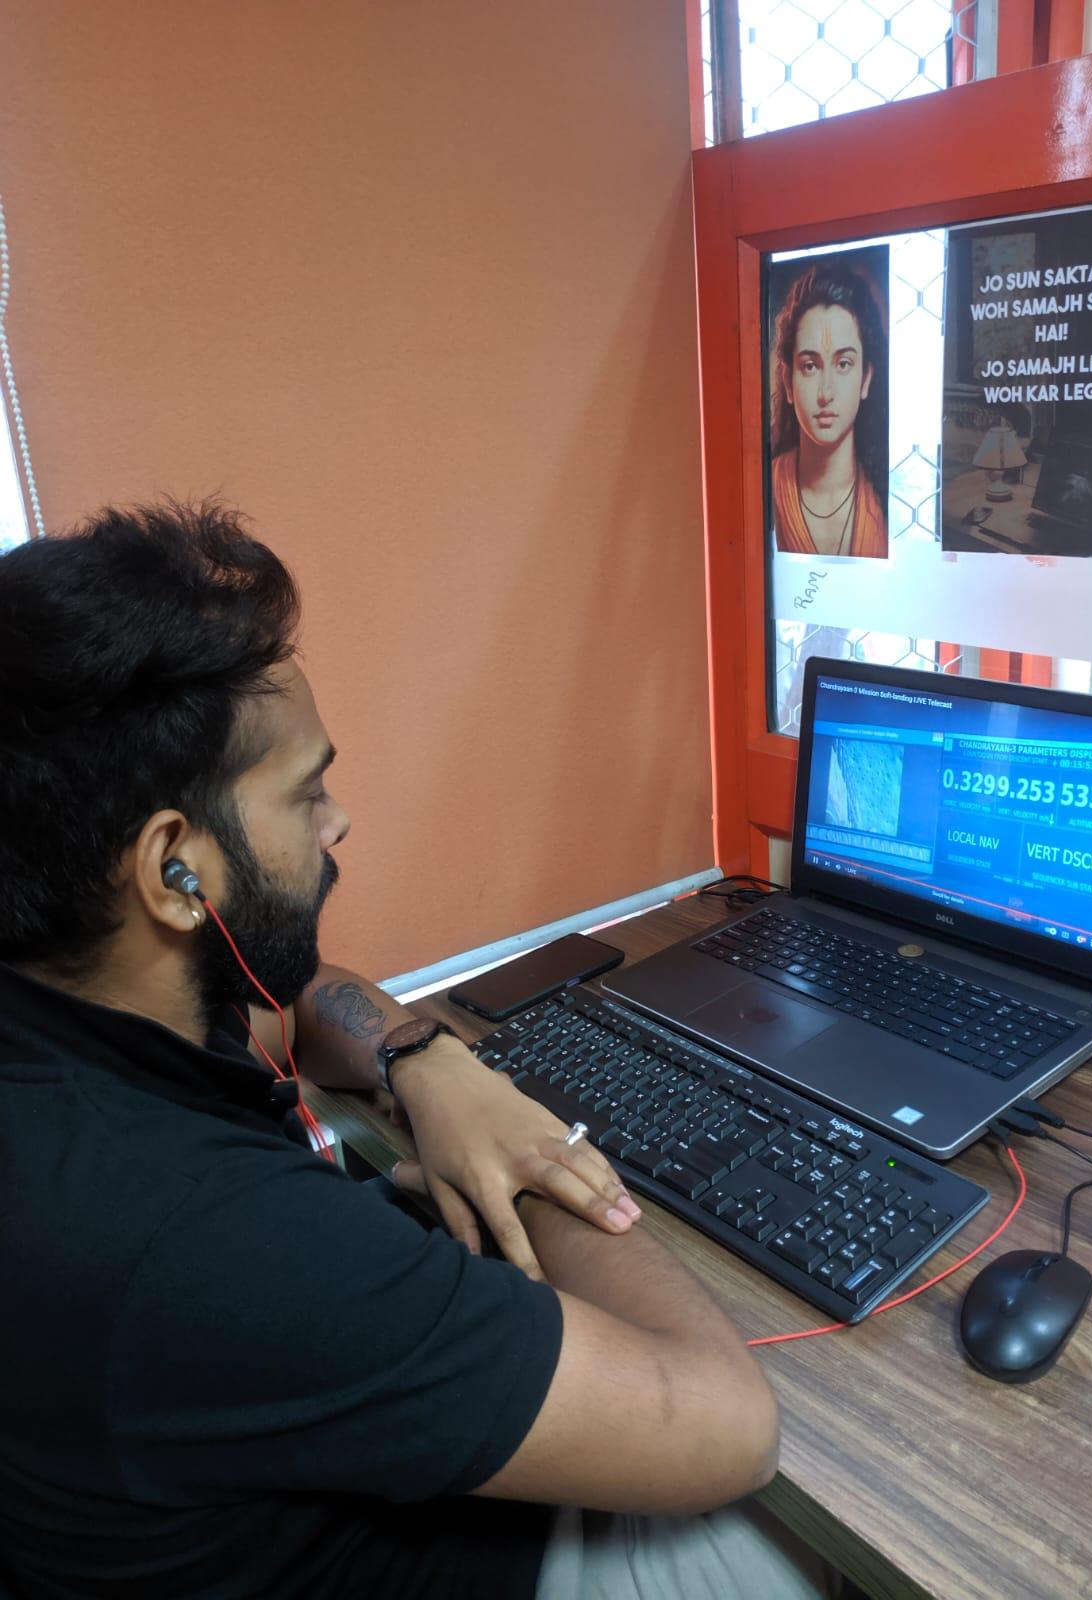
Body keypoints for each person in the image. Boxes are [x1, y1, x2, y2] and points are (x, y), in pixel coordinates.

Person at [0, 502, 842, 1599]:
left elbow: (300, 999)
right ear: (174, 869)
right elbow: (729, 1428)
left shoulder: (69, 1013)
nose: (338, 821)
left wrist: (428, 1061)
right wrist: (533, 1156)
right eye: (306, 791)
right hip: (451, 1561)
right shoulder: (204, 1237)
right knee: (790, 1540)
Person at [769, 259, 888, 559]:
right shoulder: (763, 490)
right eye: (810, 366)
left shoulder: (889, 496)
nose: (826, 393)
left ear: (866, 378)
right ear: (788, 382)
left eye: (843, 364)